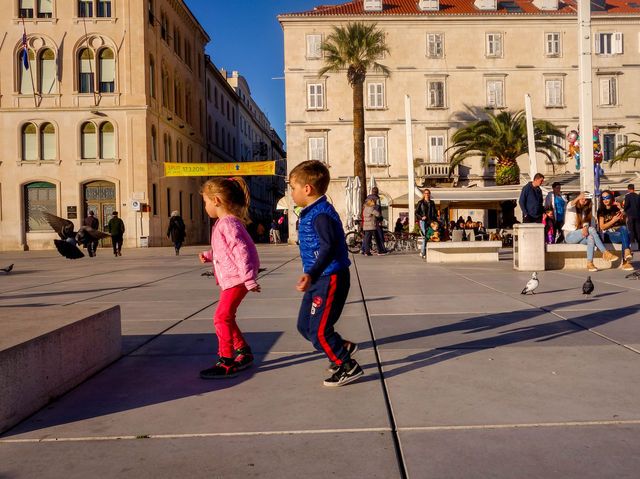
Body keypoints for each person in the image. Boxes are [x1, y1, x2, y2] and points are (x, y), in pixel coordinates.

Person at [289, 160, 363, 387]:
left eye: (293, 188)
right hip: (318, 278)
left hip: (329, 278)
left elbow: (329, 246)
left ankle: (348, 366)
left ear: (307, 189)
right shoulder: (311, 211)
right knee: (305, 327)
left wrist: (311, 273)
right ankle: (342, 347)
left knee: (320, 331)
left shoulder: (321, 214)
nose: (291, 193)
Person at [198, 177, 261, 379]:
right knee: (227, 317)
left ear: (216, 200)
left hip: (237, 278)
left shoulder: (227, 223)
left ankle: (226, 361)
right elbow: (224, 250)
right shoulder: (225, 223)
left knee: (221, 317)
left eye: (205, 202)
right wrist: (209, 255)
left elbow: (241, 251)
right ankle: (244, 352)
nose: (205, 206)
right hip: (234, 278)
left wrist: (249, 278)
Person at [563, 192, 616, 272]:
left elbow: (587, 224)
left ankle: (590, 263)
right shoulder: (572, 207)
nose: (584, 200)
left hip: (580, 236)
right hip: (569, 235)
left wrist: (585, 227)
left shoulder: (586, 212)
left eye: (586, 199)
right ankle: (605, 252)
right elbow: (571, 204)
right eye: (582, 198)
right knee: (591, 229)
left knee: (591, 237)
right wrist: (578, 197)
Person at [598, 189, 634, 271]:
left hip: (619, 233)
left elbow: (625, 219)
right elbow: (602, 227)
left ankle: (626, 255)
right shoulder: (601, 210)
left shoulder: (615, 208)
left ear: (611, 198)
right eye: (603, 198)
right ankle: (626, 262)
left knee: (624, 229)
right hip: (607, 235)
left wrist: (621, 209)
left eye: (607, 197)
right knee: (626, 235)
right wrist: (613, 221)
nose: (605, 200)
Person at [362, 187, 387, 255]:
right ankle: (380, 250)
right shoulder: (376, 199)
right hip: (373, 225)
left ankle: (365, 251)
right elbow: (378, 212)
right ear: (377, 191)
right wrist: (380, 219)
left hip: (366, 226)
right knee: (377, 238)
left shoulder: (366, 205)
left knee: (367, 239)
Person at [415, 188, 437, 259]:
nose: (427, 194)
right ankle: (423, 252)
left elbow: (435, 212)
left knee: (429, 236)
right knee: (425, 237)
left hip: (430, 221)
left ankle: (425, 252)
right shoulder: (420, 202)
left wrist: (436, 218)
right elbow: (416, 213)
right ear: (424, 194)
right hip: (423, 221)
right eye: (426, 193)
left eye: (428, 193)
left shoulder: (432, 203)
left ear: (430, 194)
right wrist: (421, 217)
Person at [624, 184, 640, 250]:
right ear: (634, 188)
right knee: (638, 230)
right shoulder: (638, 196)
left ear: (628, 189)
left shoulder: (627, 196)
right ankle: (639, 245)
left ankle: (633, 245)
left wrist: (624, 209)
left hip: (630, 215)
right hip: (638, 216)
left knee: (631, 230)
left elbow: (626, 205)